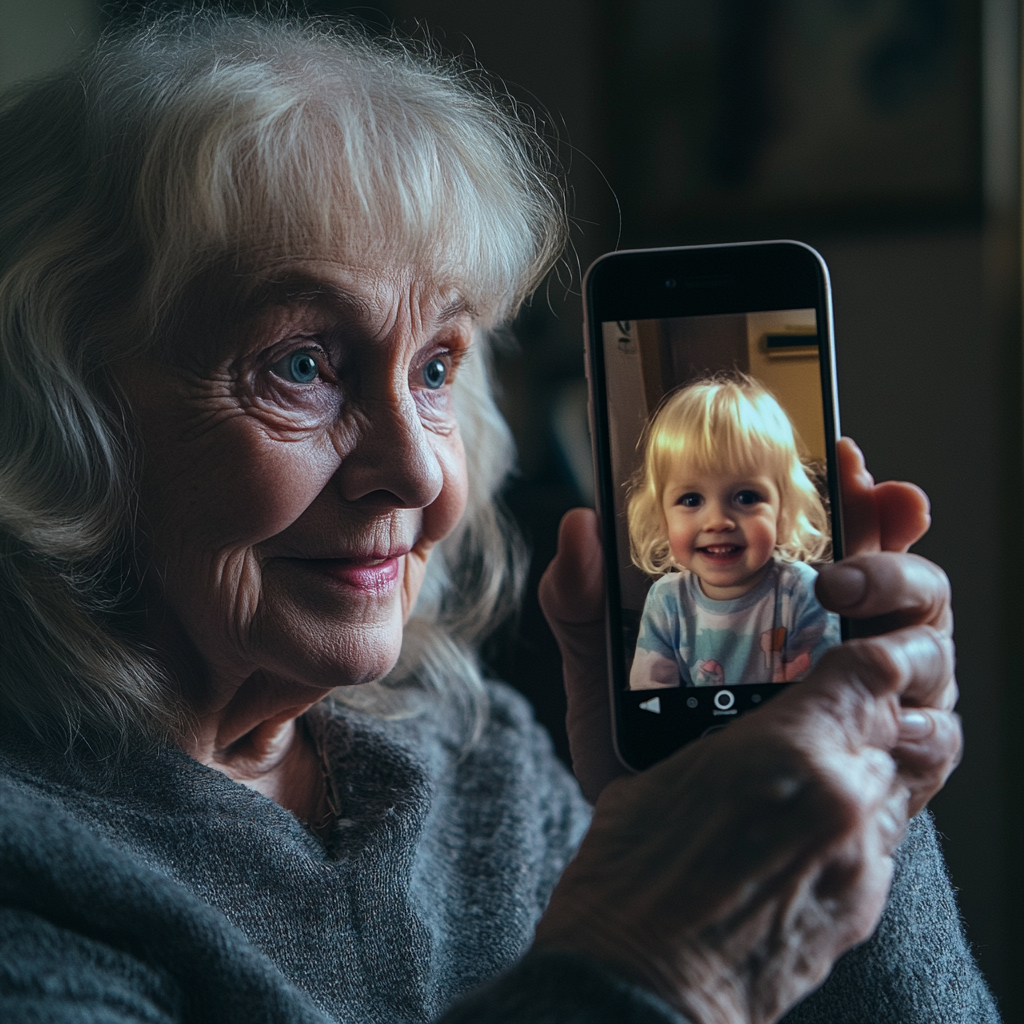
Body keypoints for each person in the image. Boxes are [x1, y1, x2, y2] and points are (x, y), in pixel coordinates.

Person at [0, 12, 995, 1024]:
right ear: (52, 409)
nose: (422, 477)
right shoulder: (33, 864)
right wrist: (649, 963)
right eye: (299, 364)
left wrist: (853, 813)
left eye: (435, 367)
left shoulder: (483, 769)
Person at [627, 377, 839, 690]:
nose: (717, 522)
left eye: (746, 497)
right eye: (691, 500)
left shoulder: (802, 592)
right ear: (662, 518)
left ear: (784, 511)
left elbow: (817, 696)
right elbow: (651, 699)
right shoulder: (667, 601)